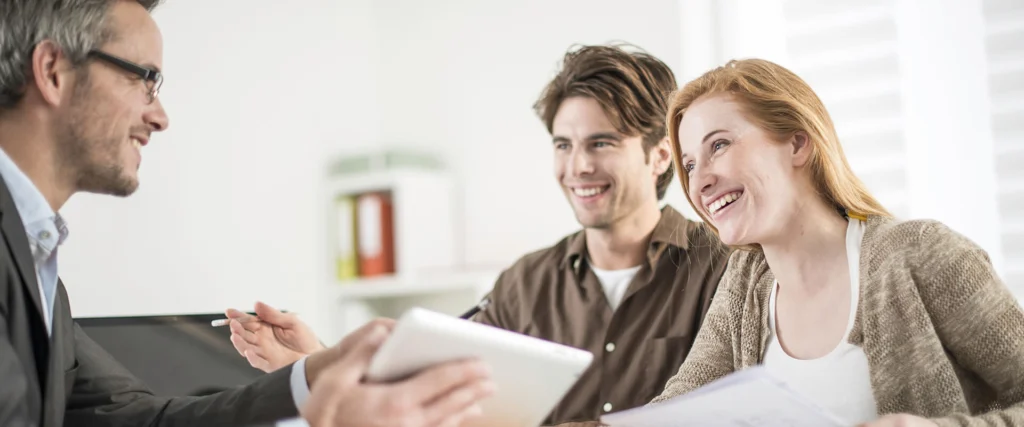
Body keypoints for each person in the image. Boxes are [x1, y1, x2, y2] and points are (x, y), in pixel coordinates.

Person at [0, 1, 492, 426]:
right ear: (52, 71)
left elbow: (140, 419)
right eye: (144, 79)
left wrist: (316, 376)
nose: (160, 115)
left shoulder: (36, 261)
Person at [224, 44, 733, 425]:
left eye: (600, 143)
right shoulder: (525, 282)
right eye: (562, 144)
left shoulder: (723, 266)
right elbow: (442, 395)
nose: (577, 166)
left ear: (660, 154)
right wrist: (318, 361)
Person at [638, 58, 1024, 426]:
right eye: (688, 164)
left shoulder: (922, 255)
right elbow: (678, 412)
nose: (699, 181)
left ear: (797, 144)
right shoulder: (744, 284)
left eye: (718, 145)